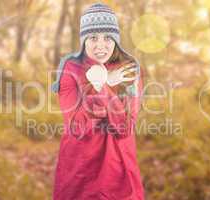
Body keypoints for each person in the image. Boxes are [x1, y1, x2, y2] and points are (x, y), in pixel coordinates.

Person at [51, 3, 145, 199]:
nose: (100, 45)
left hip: (118, 171)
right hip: (79, 171)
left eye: (107, 37)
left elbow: (124, 129)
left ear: (116, 39)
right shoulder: (70, 68)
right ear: (83, 40)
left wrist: (102, 86)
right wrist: (100, 85)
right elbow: (77, 126)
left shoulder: (129, 69)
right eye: (93, 37)